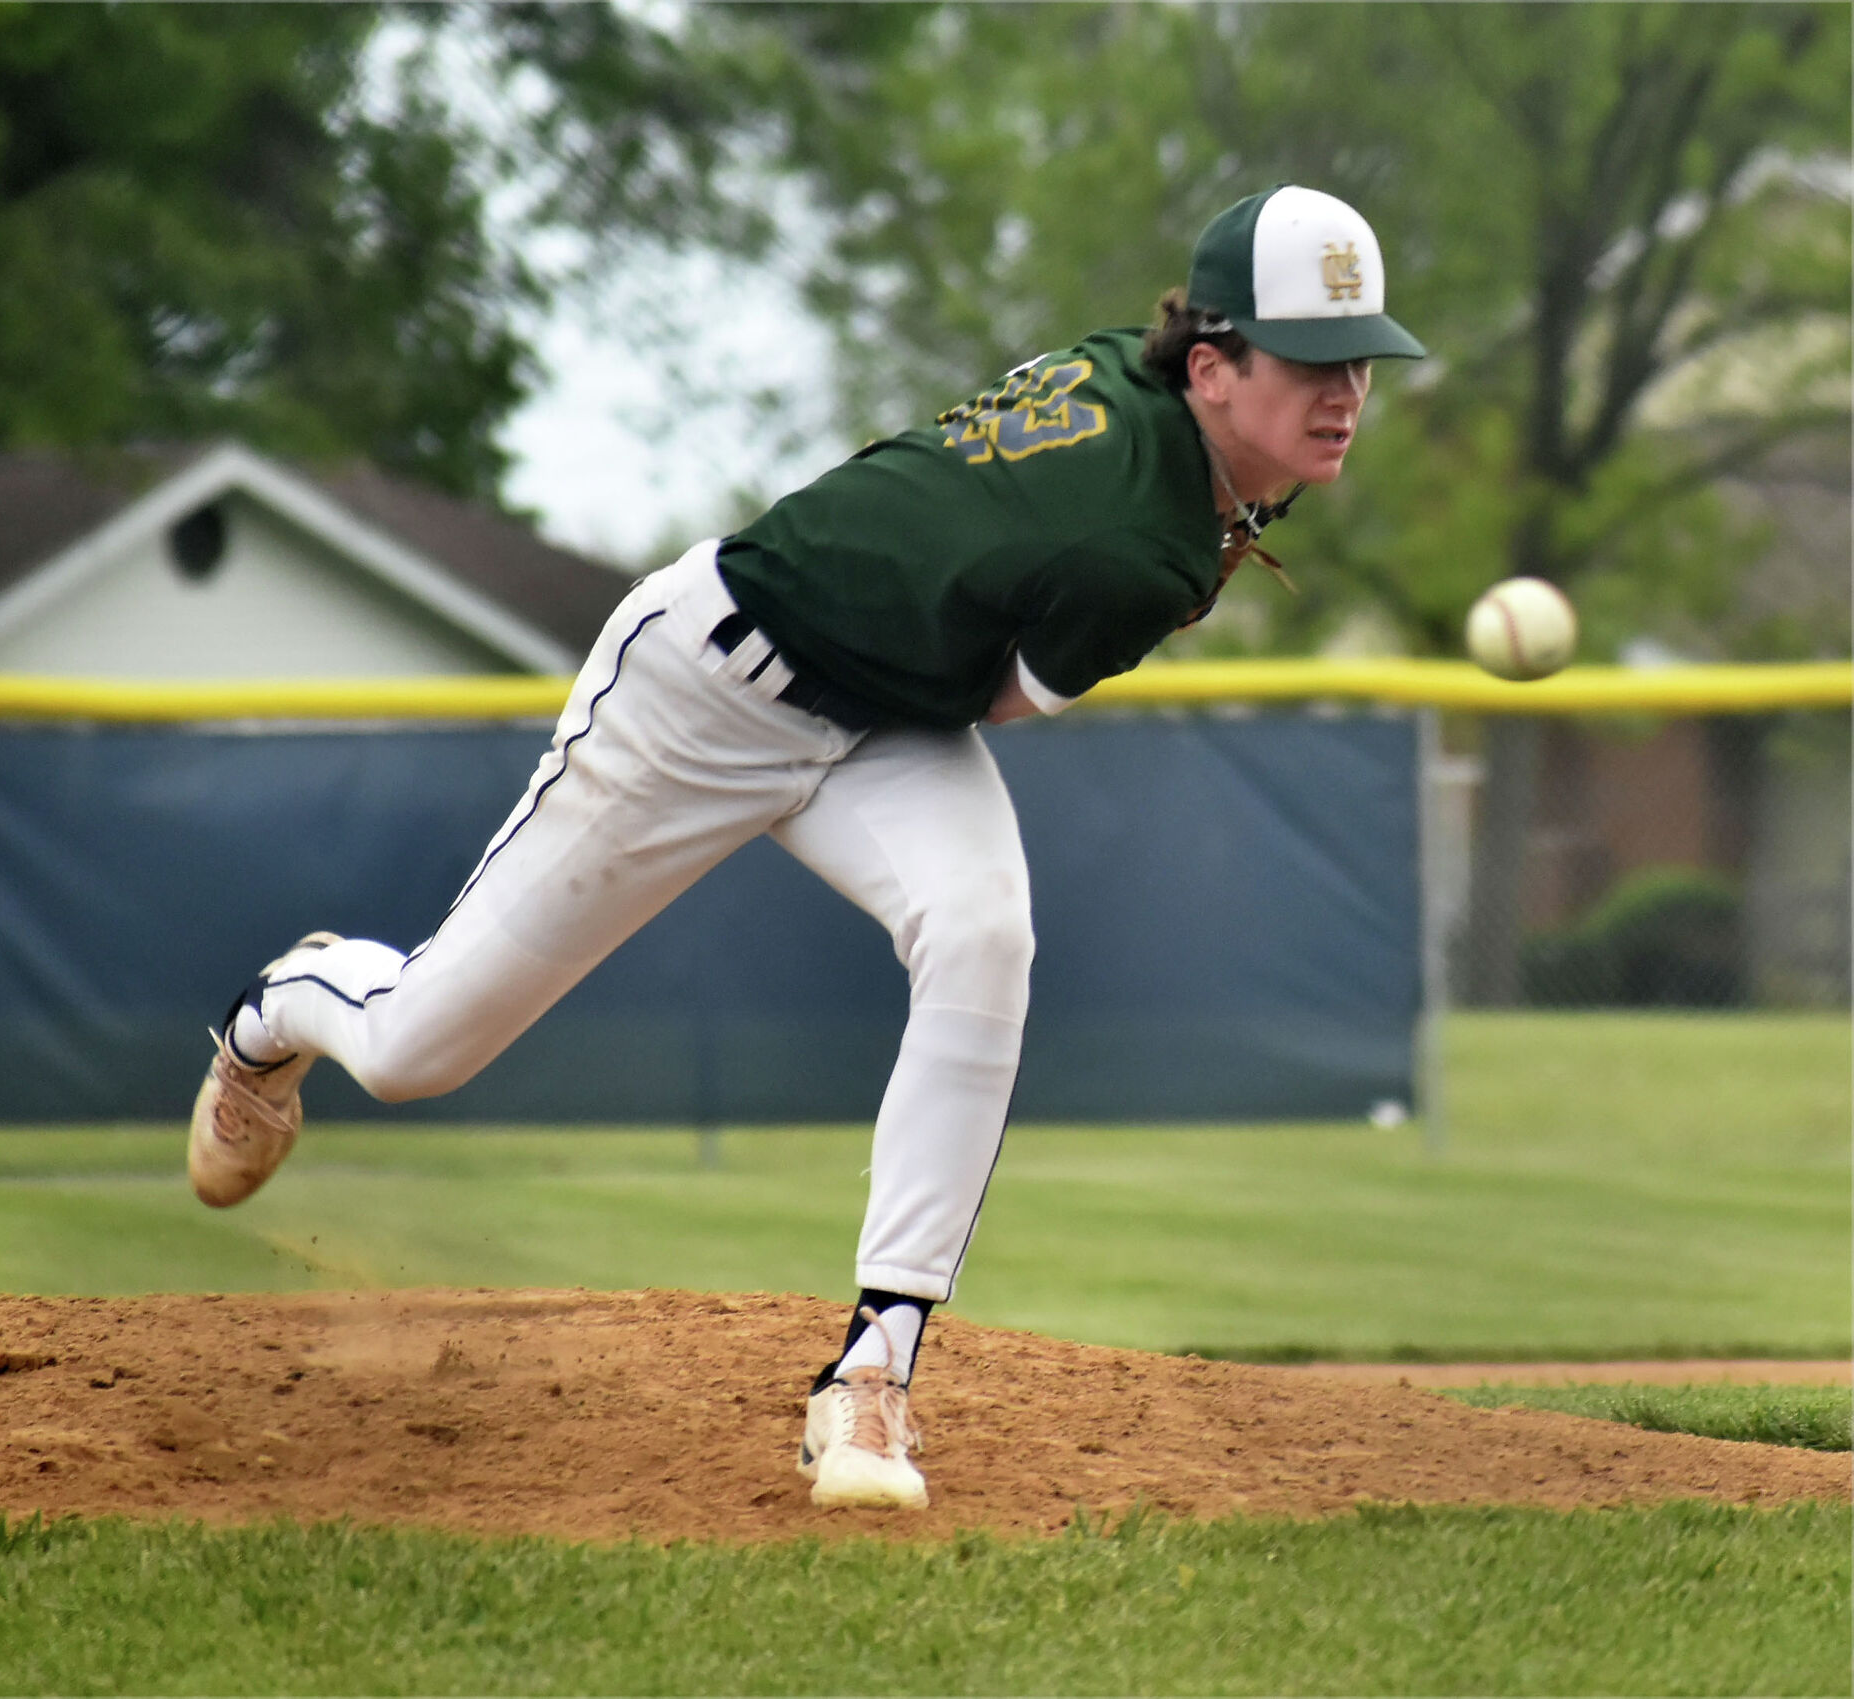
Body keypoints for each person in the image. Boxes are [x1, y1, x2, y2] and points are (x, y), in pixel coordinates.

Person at [187, 184, 1425, 1512]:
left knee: (984, 932)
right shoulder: (1146, 549)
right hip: (703, 692)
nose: (1346, 388)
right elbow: (1003, 696)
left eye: (1361, 357)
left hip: (880, 713)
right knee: (423, 1048)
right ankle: (283, 1009)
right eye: (1308, 358)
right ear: (1212, 365)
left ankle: (872, 1380)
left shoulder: (1139, 389)